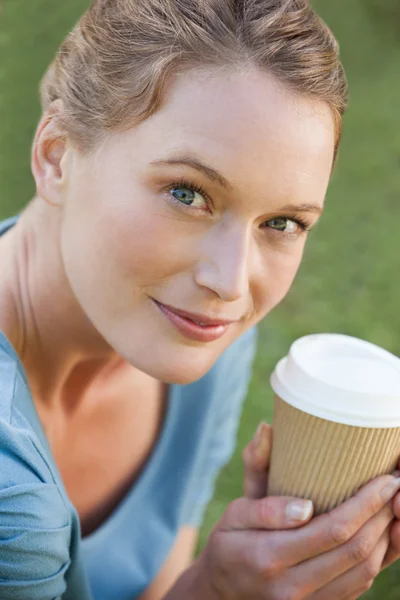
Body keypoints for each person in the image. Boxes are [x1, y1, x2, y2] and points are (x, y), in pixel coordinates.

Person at [0, 0, 400, 598]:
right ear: (56, 154)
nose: (232, 283)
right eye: (187, 193)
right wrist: (217, 590)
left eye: (284, 222)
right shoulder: (11, 500)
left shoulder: (200, 335)